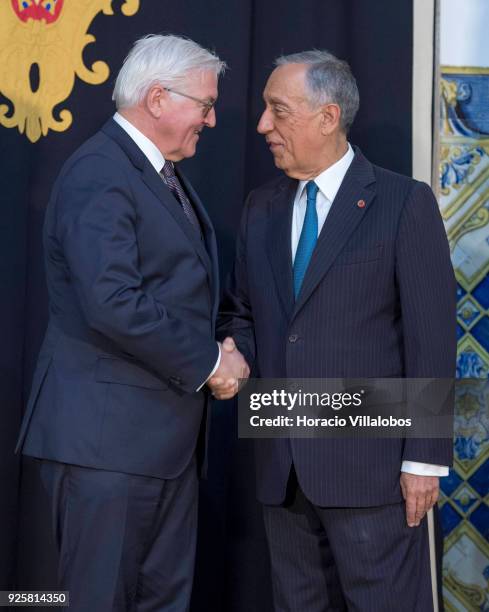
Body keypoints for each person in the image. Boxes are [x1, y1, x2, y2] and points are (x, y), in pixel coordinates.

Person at [213, 50, 456, 611]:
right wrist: (236, 354)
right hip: (282, 466)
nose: (262, 126)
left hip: (373, 473)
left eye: (278, 111)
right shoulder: (261, 208)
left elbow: (431, 337)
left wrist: (423, 461)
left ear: (327, 116)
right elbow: (243, 313)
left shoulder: (403, 202)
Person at [16, 34, 248, 612]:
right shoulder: (100, 170)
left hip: (160, 448)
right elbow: (113, 301)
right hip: (108, 449)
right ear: (157, 98)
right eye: (205, 103)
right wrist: (210, 363)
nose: (212, 119)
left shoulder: (159, 175)